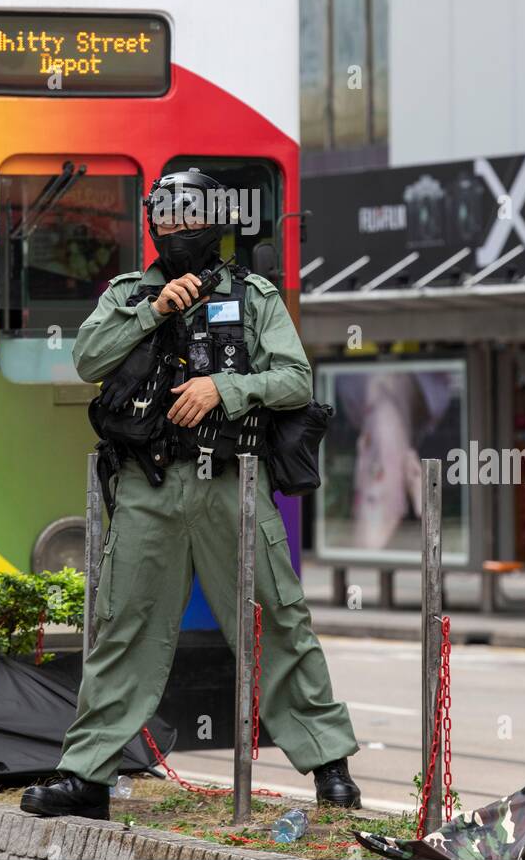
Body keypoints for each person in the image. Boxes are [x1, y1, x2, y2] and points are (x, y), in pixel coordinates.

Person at [21, 169, 361, 820]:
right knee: (124, 627)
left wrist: (225, 391)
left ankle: (328, 765)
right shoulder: (130, 294)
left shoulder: (253, 295)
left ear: (213, 222)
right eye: (165, 219)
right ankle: (86, 778)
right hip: (148, 488)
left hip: (231, 485)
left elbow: (294, 377)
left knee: (277, 620)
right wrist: (155, 312)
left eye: (188, 219)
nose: (175, 232)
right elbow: (88, 359)